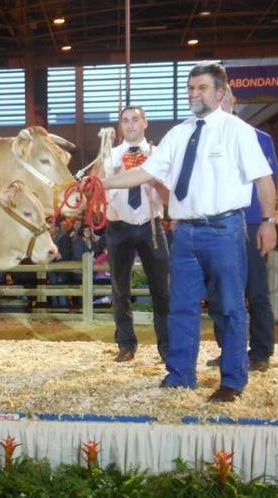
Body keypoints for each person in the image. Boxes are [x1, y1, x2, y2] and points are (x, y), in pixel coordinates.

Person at [100, 61, 277, 402]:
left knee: (229, 307)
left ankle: (232, 380)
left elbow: (263, 178)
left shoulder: (237, 130)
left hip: (224, 229)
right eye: (191, 88)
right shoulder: (179, 134)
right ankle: (181, 375)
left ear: (220, 92)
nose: (194, 94)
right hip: (184, 233)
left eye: (202, 88)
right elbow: (147, 172)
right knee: (180, 305)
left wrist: (268, 222)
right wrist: (102, 183)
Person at [207, 86, 278, 372]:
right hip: (215, 223)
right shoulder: (205, 138)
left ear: (231, 99)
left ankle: (261, 351)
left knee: (256, 290)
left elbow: (268, 181)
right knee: (218, 292)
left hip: (248, 222)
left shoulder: (257, 137)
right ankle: (229, 350)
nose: (220, 101)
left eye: (224, 96)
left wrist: (267, 221)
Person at [103, 105, 169, 362]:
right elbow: (96, 187)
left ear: (145, 123)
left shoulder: (159, 154)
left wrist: (153, 179)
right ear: (121, 127)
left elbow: (168, 197)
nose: (130, 125)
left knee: (161, 289)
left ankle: (166, 345)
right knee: (120, 289)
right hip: (118, 225)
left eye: (134, 120)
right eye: (125, 121)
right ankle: (126, 344)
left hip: (151, 225)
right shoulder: (108, 155)